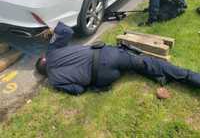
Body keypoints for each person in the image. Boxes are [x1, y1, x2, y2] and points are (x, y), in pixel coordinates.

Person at [36, 22, 200, 95]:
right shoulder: (51, 52)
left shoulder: (54, 81)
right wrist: (52, 30)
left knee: (136, 66)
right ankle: (190, 78)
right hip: (109, 56)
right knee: (145, 62)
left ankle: (159, 76)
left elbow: (78, 90)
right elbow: (66, 31)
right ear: (43, 59)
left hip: (104, 79)